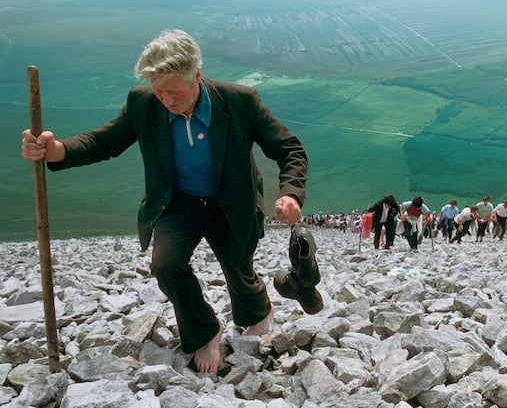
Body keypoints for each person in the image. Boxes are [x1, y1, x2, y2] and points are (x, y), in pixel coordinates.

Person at [20, 29, 309, 375]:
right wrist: (57, 150)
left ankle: (257, 312)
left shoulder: (239, 101)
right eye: (159, 90)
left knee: (238, 268)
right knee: (166, 264)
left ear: (197, 77)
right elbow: (103, 142)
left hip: (231, 202)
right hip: (178, 203)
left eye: (175, 91)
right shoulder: (143, 104)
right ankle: (205, 331)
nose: (166, 99)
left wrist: (290, 192)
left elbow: (288, 149)